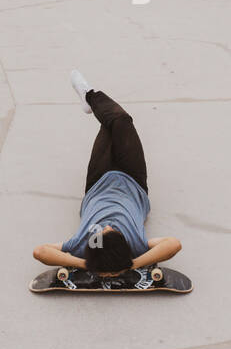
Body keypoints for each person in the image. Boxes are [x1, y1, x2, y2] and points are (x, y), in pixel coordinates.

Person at [33, 71, 182, 277]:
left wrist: (85, 264)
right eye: (113, 232)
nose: (107, 227)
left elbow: (40, 252)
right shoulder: (136, 244)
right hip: (133, 180)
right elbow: (173, 244)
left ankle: (90, 100)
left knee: (109, 125)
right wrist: (133, 264)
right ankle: (89, 96)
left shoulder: (83, 242)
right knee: (121, 120)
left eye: (102, 233)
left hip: (98, 182)